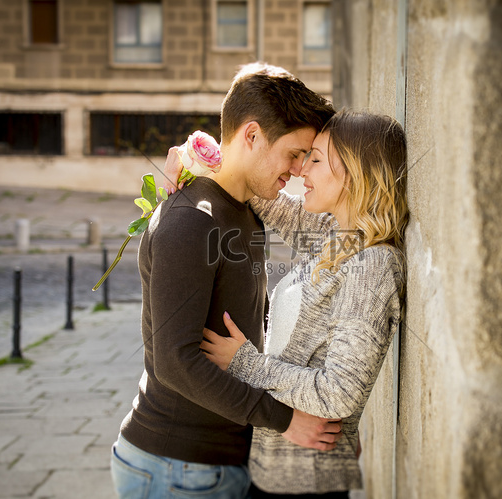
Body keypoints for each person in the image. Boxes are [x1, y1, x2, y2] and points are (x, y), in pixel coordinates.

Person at [110, 63, 340, 499]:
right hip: (175, 468)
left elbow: (253, 320)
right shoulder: (190, 220)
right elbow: (175, 362)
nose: (296, 169)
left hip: (219, 464)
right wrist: (286, 420)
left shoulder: (248, 211)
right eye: (294, 153)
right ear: (251, 135)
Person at [169, 110, 409, 497]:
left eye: (314, 158)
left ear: (354, 171)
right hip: (272, 469)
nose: (301, 171)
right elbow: (264, 195)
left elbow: (340, 393)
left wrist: (245, 363)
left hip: (308, 479)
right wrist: (192, 156)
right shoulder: (337, 236)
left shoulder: (373, 263)